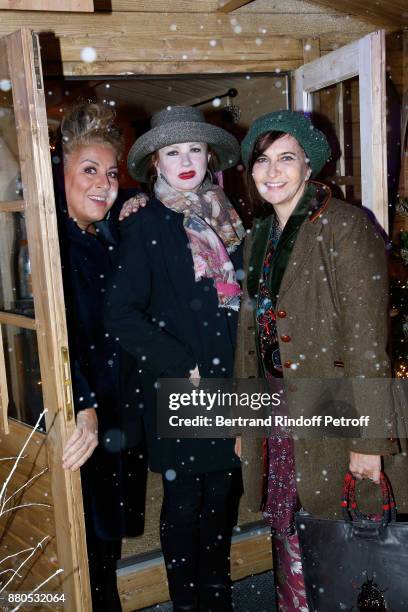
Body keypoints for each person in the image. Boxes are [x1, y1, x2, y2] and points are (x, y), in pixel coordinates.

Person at [234, 109, 408, 611]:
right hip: (276, 416)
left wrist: (368, 442)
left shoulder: (345, 227)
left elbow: (367, 343)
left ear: (309, 165)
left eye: (286, 158)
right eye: (262, 160)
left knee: (348, 554)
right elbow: (249, 337)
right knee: (292, 534)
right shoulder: (257, 238)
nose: (271, 171)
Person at [104, 106, 245, 612]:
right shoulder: (145, 224)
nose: (184, 160)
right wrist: (180, 362)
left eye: (193, 149)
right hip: (181, 384)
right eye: (172, 151)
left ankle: (218, 596)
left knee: (222, 494)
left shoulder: (228, 217)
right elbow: (119, 314)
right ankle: (187, 603)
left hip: (229, 379)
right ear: (156, 164)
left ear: (209, 156)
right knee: (185, 500)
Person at [56, 102, 147, 611]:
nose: (103, 183)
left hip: (117, 415)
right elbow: (48, 334)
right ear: (60, 174)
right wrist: (81, 402)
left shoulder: (102, 237)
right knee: (82, 549)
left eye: (111, 173)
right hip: (80, 420)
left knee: (105, 552)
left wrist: (133, 200)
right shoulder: (52, 245)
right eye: (88, 170)